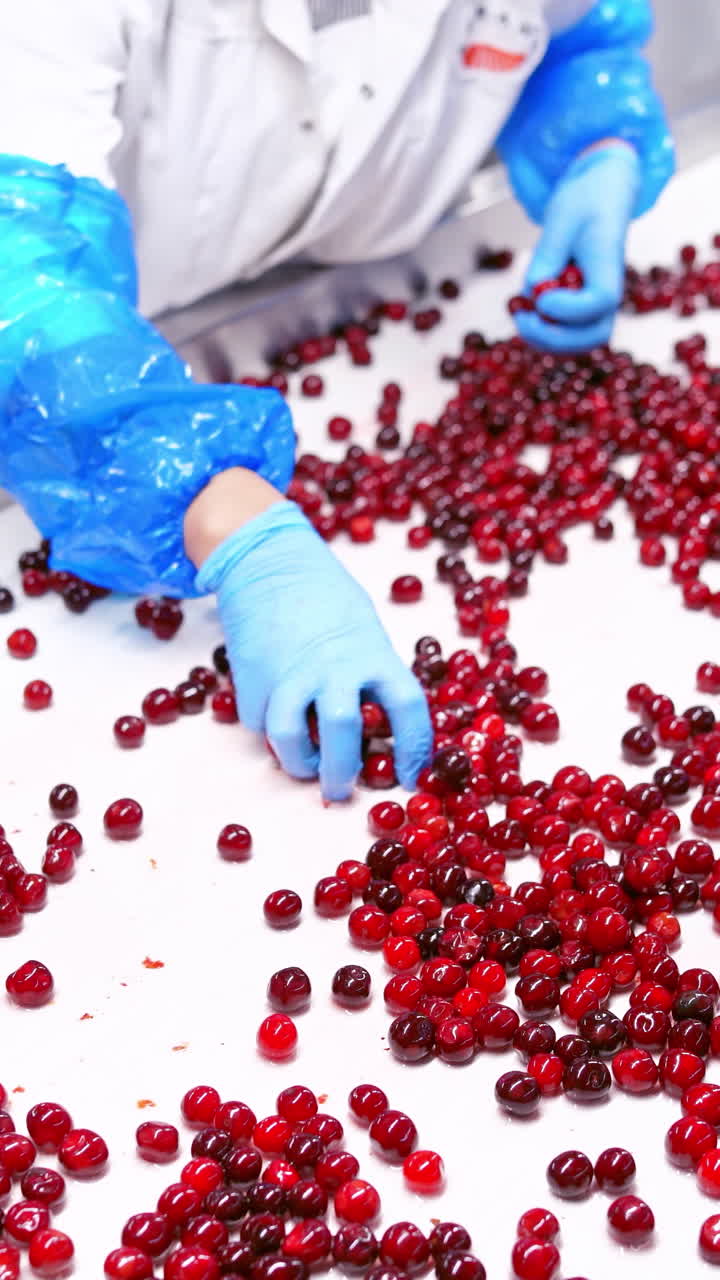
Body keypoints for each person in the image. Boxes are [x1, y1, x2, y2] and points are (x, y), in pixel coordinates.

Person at [0, 1, 673, 800]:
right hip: (84, 353)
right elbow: (19, 272)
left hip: (323, 301)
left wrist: (593, 140)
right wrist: (229, 516)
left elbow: (572, 34)